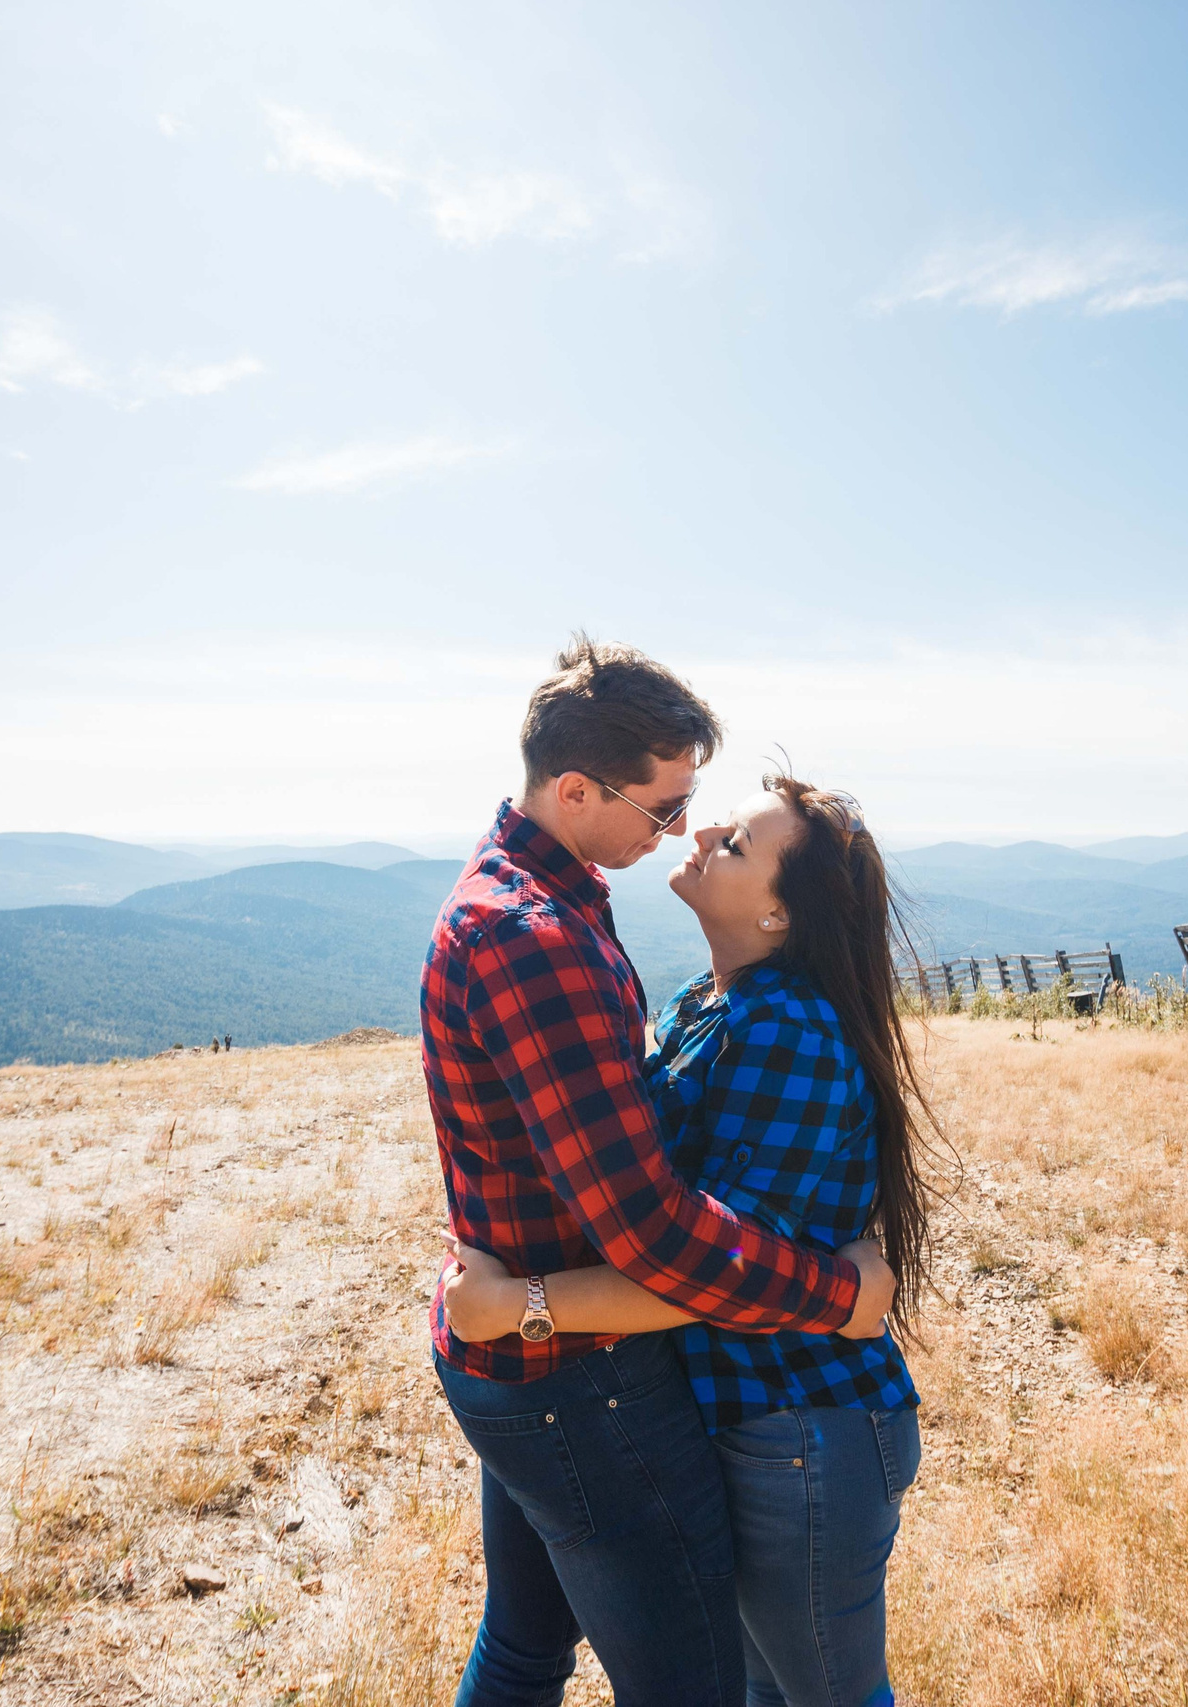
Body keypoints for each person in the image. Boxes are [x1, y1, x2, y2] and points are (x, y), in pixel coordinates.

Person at [423, 638, 897, 1707]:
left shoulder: (557, 903)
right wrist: (843, 1296)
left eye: (708, 823)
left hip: (586, 1361)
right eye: (666, 809)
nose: (683, 830)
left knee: (526, 1648)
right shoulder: (537, 936)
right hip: (577, 1377)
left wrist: (513, 1303)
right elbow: (652, 1230)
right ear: (579, 789)